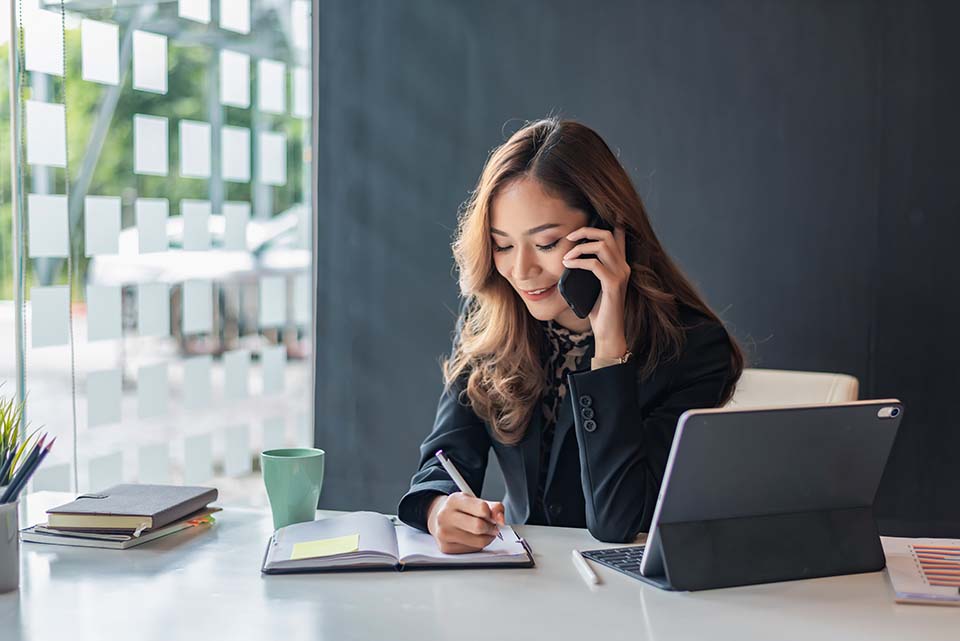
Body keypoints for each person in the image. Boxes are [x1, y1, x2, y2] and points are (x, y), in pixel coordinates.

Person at [398, 117, 744, 552]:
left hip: (628, 598)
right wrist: (436, 508)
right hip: (522, 581)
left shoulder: (692, 347)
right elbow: (446, 456)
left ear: (607, 233)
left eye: (546, 244)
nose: (521, 271)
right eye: (503, 245)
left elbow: (619, 522)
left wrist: (609, 350)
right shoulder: (492, 318)